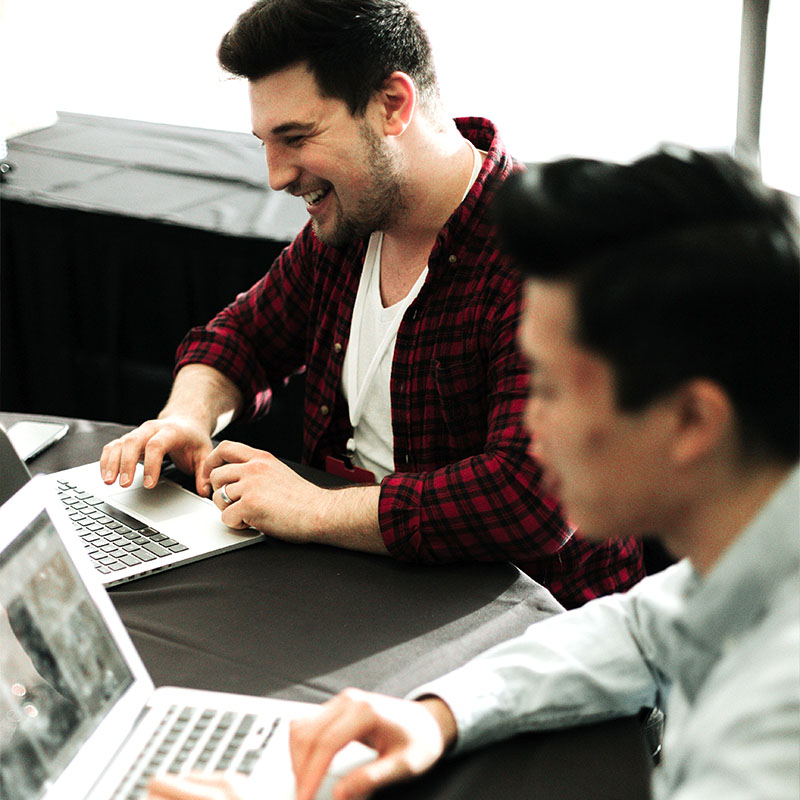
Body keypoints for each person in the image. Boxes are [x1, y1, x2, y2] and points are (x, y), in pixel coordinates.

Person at [148, 145, 800, 799]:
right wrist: (435, 716)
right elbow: (640, 630)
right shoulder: (750, 554)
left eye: (547, 387)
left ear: (692, 422)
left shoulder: (771, 734)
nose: (529, 424)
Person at [99, 0, 643, 609]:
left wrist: (316, 508)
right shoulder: (352, 222)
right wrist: (186, 417)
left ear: (392, 106)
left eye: (296, 138)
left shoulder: (548, 259)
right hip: (362, 584)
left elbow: (530, 500)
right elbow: (243, 337)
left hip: (524, 624)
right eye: (265, 143)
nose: (275, 176)